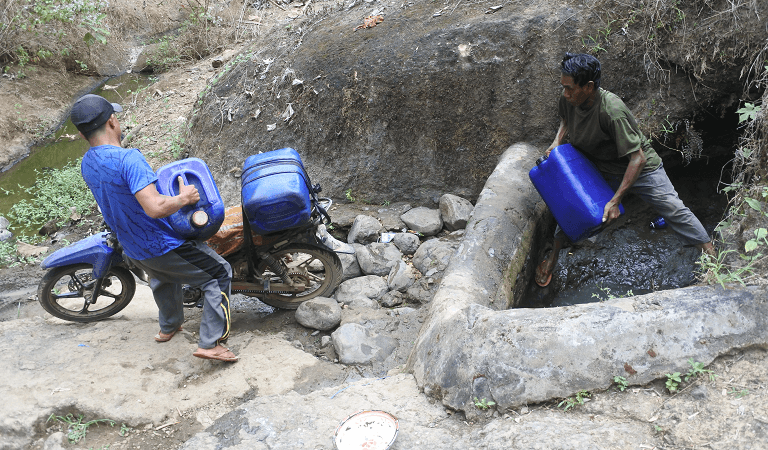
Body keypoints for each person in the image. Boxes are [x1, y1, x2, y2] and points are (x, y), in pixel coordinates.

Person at [71, 94, 238, 362]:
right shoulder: (128, 159)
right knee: (218, 274)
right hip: (162, 245)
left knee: (162, 276)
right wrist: (186, 198)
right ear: (112, 121)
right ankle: (211, 343)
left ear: (82, 134)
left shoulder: (88, 162)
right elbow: (155, 207)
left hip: (133, 248)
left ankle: (169, 325)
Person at [535, 53, 715, 287]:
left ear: (589, 87)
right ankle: (552, 259)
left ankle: (713, 260)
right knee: (571, 207)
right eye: (564, 88)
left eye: (570, 89)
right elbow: (565, 120)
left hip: (641, 167)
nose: (565, 94)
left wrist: (615, 199)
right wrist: (557, 141)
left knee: (674, 209)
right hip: (599, 165)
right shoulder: (569, 98)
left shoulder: (611, 111)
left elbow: (637, 159)